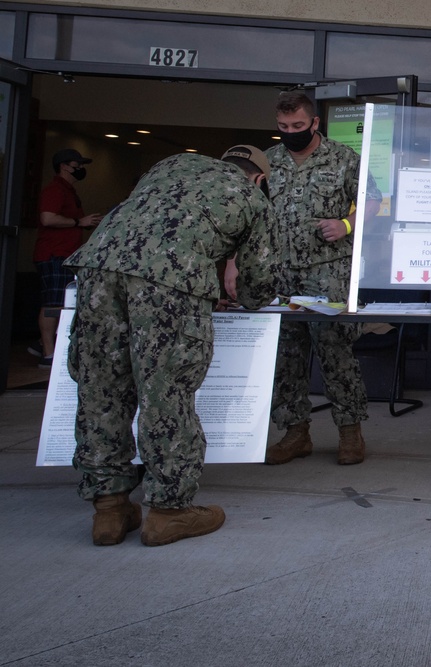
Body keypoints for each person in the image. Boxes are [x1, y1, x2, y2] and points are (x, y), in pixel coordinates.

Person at [64, 145, 277, 547]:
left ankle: (109, 509)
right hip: (166, 283)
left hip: (96, 266)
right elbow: (257, 285)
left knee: (100, 389)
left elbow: (158, 220)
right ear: (259, 178)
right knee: (166, 392)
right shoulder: (252, 197)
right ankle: (168, 511)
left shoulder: (172, 163)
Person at [257, 91, 381, 466]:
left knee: (335, 351)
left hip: (327, 273)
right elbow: (250, 211)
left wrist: (346, 224)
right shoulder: (269, 160)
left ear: (314, 123)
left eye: (297, 125)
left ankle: (349, 432)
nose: (290, 132)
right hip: (279, 273)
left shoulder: (343, 158)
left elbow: (374, 200)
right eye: (283, 127)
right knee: (286, 355)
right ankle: (295, 433)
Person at [32, 148, 103, 368]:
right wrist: (77, 222)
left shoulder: (68, 191)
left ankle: (41, 344)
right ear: (64, 166)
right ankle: (48, 353)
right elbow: (47, 218)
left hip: (66, 255)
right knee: (53, 303)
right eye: (77, 165)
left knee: (62, 301)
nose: (81, 169)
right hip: (54, 254)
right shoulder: (55, 190)